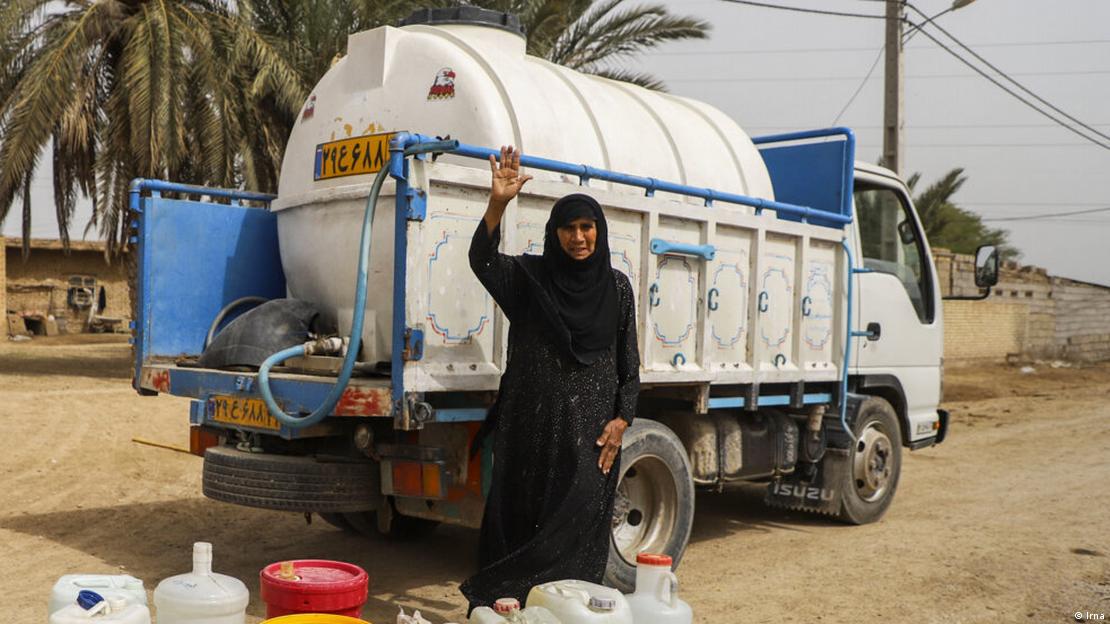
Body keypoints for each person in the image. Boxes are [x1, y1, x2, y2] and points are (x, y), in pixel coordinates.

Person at [459, 146, 641, 612]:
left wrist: (622, 421)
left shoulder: (617, 288)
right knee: (518, 524)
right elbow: (481, 259)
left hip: (589, 440)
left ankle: (563, 614)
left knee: (577, 528)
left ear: (598, 231)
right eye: (568, 228)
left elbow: (629, 363)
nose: (578, 237)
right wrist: (498, 202)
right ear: (554, 233)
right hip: (529, 433)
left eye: (586, 227)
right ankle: (508, 613)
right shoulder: (529, 279)